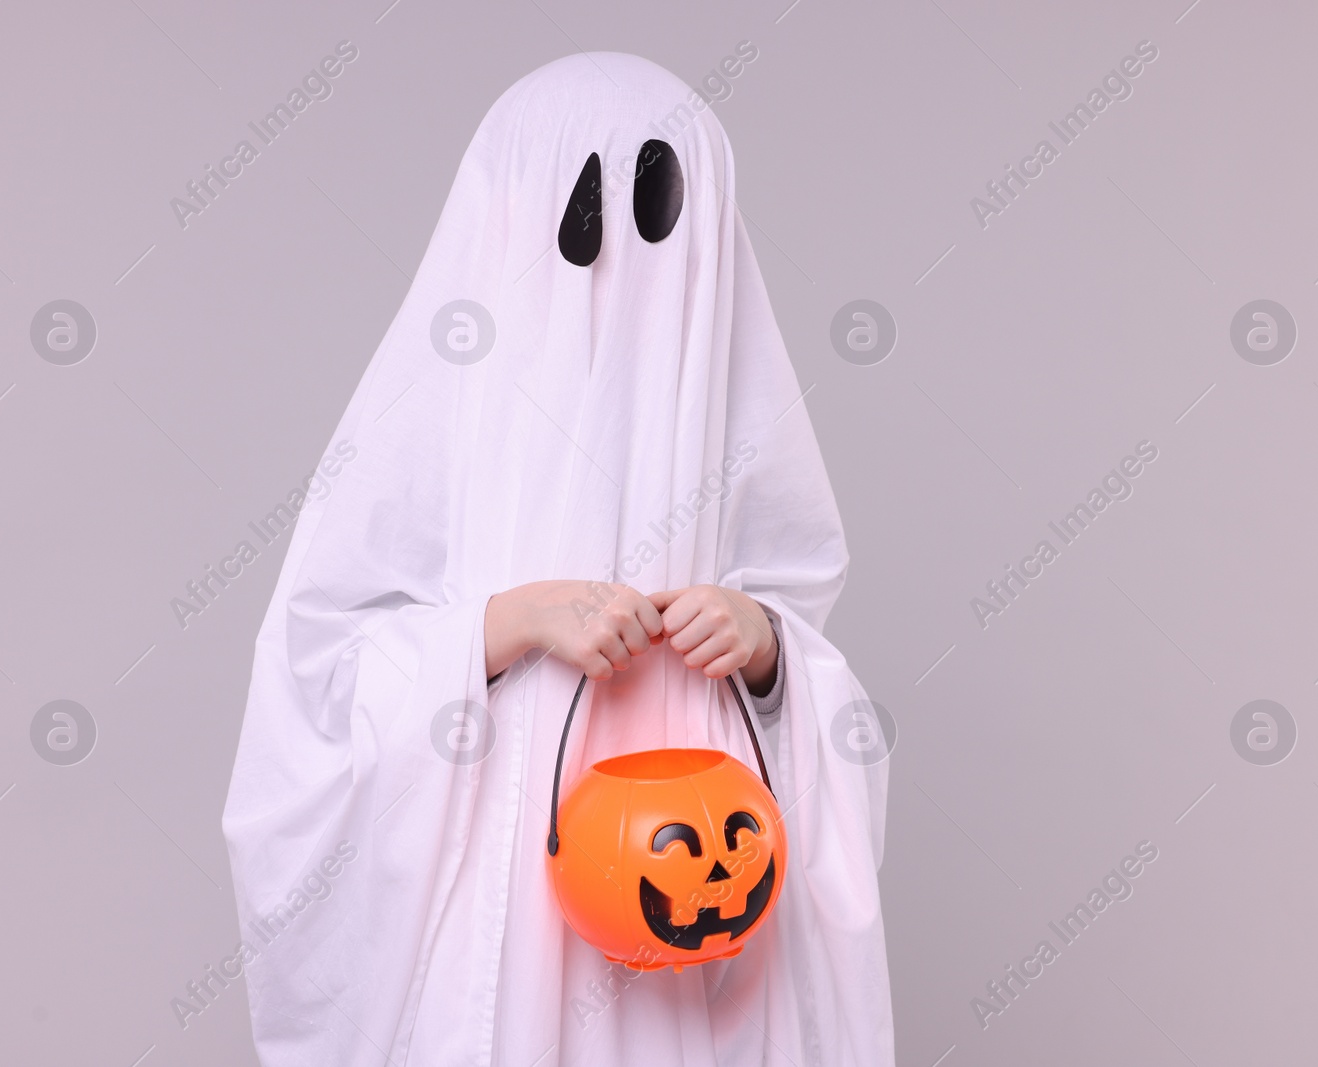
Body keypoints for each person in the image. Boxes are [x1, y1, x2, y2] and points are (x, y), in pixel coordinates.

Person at [222, 51, 893, 1066]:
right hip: (489, 846)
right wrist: (510, 621)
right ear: (509, 213)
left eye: (659, 204)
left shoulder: (740, 408)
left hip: (692, 840)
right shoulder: (427, 409)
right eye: (583, 210)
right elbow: (313, 677)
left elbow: (805, 653)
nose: (620, 257)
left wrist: (760, 645)